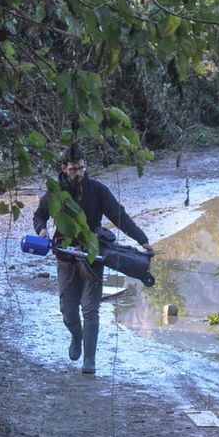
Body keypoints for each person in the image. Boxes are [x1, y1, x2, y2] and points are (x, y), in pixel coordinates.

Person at [32, 145, 152, 375]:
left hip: (93, 255)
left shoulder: (97, 190)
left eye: (82, 168)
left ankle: (90, 359)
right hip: (65, 256)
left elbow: (120, 216)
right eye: (74, 169)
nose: (79, 173)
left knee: (90, 309)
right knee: (68, 310)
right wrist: (42, 230)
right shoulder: (55, 194)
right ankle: (76, 336)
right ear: (64, 168)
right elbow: (40, 215)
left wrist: (142, 240)